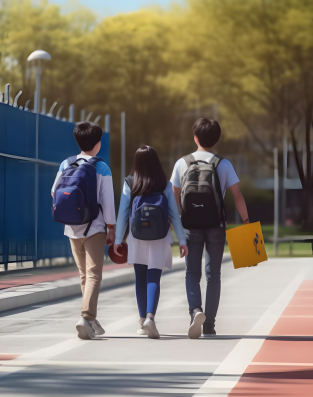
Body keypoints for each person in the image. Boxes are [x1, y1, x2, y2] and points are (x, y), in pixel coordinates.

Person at [170, 118, 249, 338]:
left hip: (190, 227)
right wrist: (246, 222)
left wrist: (176, 225)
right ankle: (209, 325)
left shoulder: (181, 163)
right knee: (213, 275)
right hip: (216, 226)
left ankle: (196, 311)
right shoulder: (223, 164)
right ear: (216, 139)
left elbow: (173, 198)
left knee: (192, 273)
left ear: (195, 138)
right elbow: (237, 196)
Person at [113, 146, 188, 339]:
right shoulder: (163, 183)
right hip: (160, 236)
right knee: (154, 277)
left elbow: (122, 214)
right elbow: (174, 214)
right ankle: (150, 318)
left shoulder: (130, 183)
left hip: (137, 237)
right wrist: (182, 240)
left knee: (140, 277)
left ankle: (141, 321)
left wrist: (118, 239)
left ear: (136, 163)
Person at [51, 122, 116, 340]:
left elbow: (54, 193)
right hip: (94, 228)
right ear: (97, 144)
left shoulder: (66, 164)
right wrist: (111, 227)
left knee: (83, 275)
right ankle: (86, 316)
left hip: (71, 228)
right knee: (94, 274)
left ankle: (90, 318)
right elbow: (107, 201)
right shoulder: (102, 167)